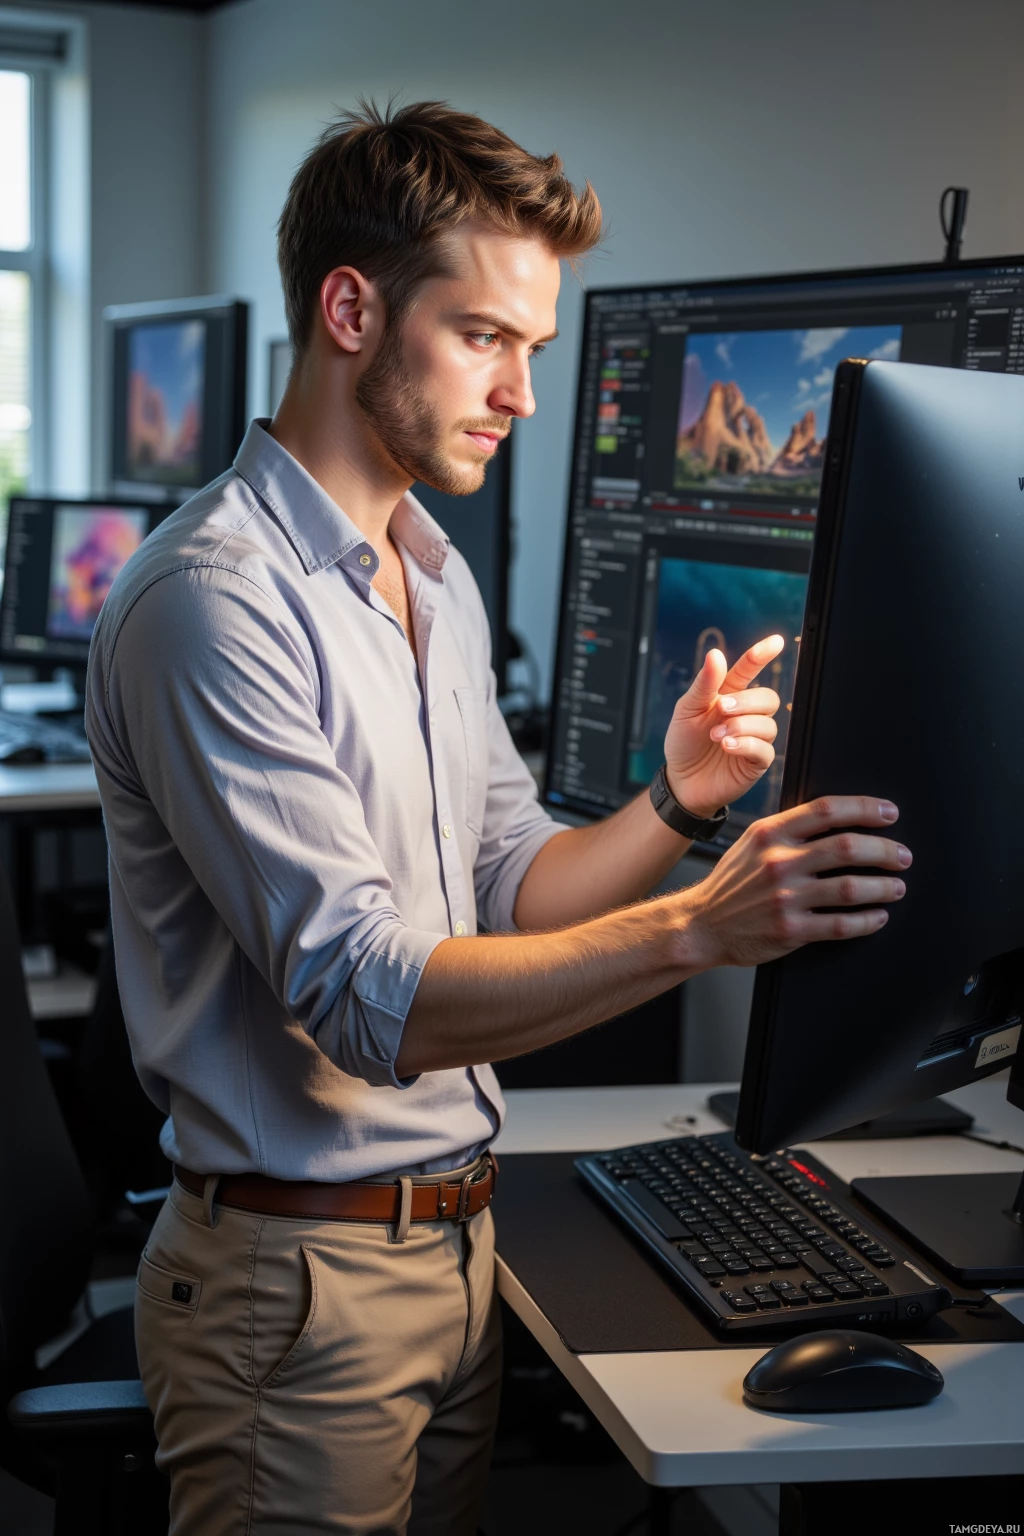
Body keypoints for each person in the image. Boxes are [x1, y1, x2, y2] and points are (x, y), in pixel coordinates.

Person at [85, 101, 911, 1536]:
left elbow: (514, 880)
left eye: (533, 346)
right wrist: (703, 929)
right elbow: (370, 1000)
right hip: (296, 1292)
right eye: (485, 337)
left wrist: (674, 801)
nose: (524, 393)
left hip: (456, 1253)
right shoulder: (211, 603)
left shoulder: (430, 572)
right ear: (352, 310)